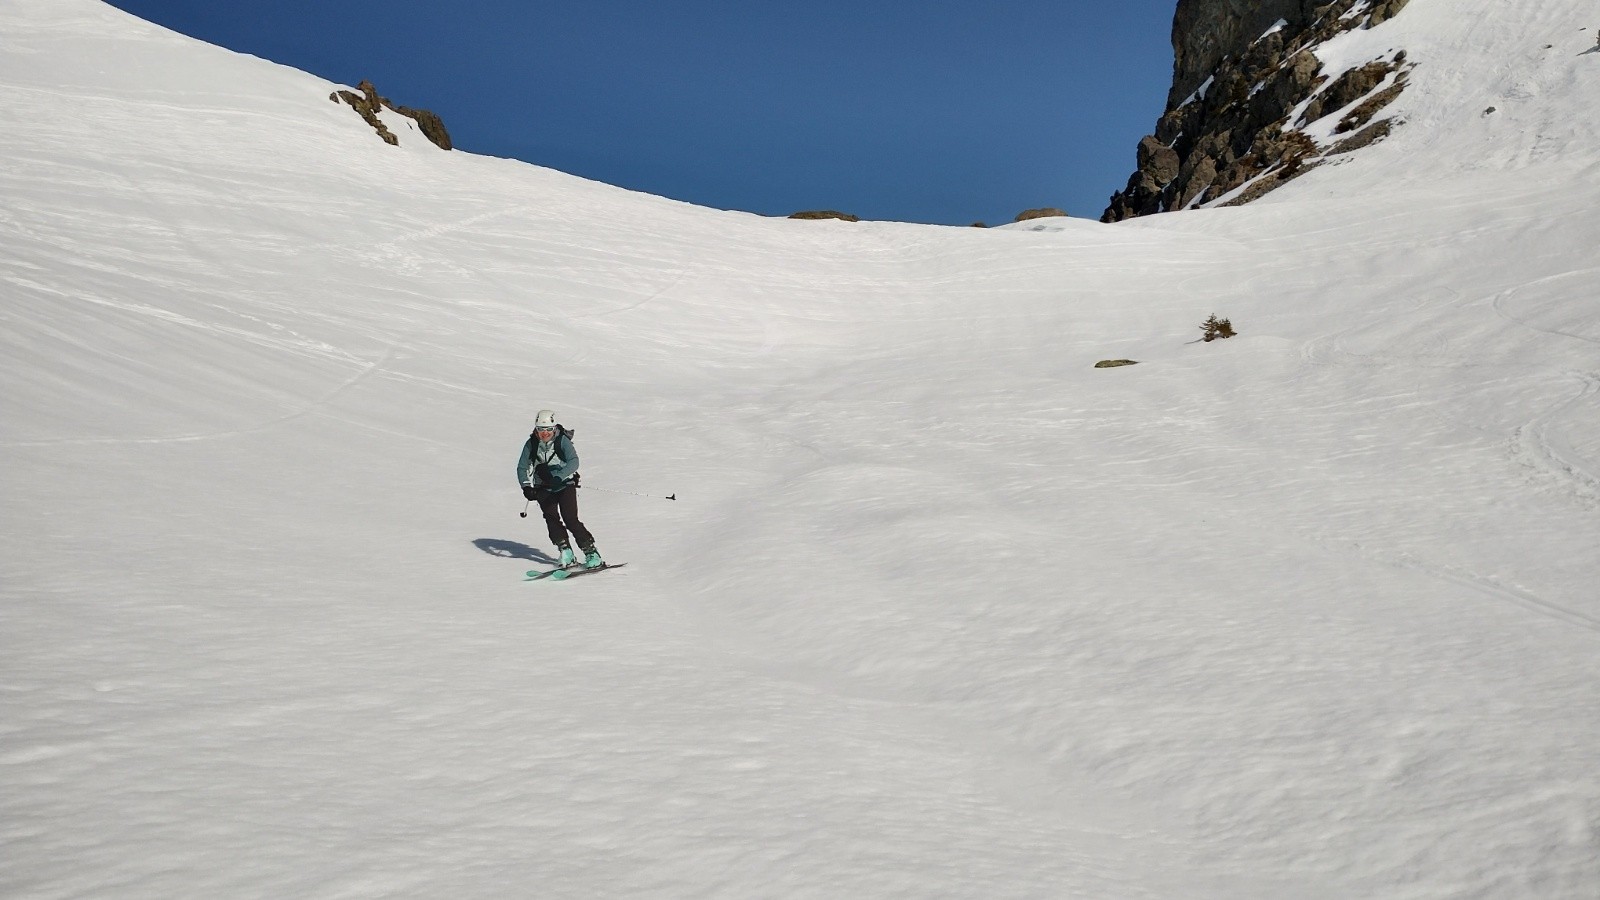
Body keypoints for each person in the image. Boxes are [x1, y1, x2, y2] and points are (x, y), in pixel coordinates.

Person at [517, 409, 604, 568]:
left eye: (548, 430)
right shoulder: (531, 444)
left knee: (570, 519)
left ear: (554, 428)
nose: (544, 434)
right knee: (551, 518)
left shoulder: (562, 440)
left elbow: (574, 462)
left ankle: (591, 552)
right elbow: (522, 468)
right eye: (540, 430)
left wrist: (559, 477)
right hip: (543, 486)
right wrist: (526, 487)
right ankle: (566, 552)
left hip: (565, 485)